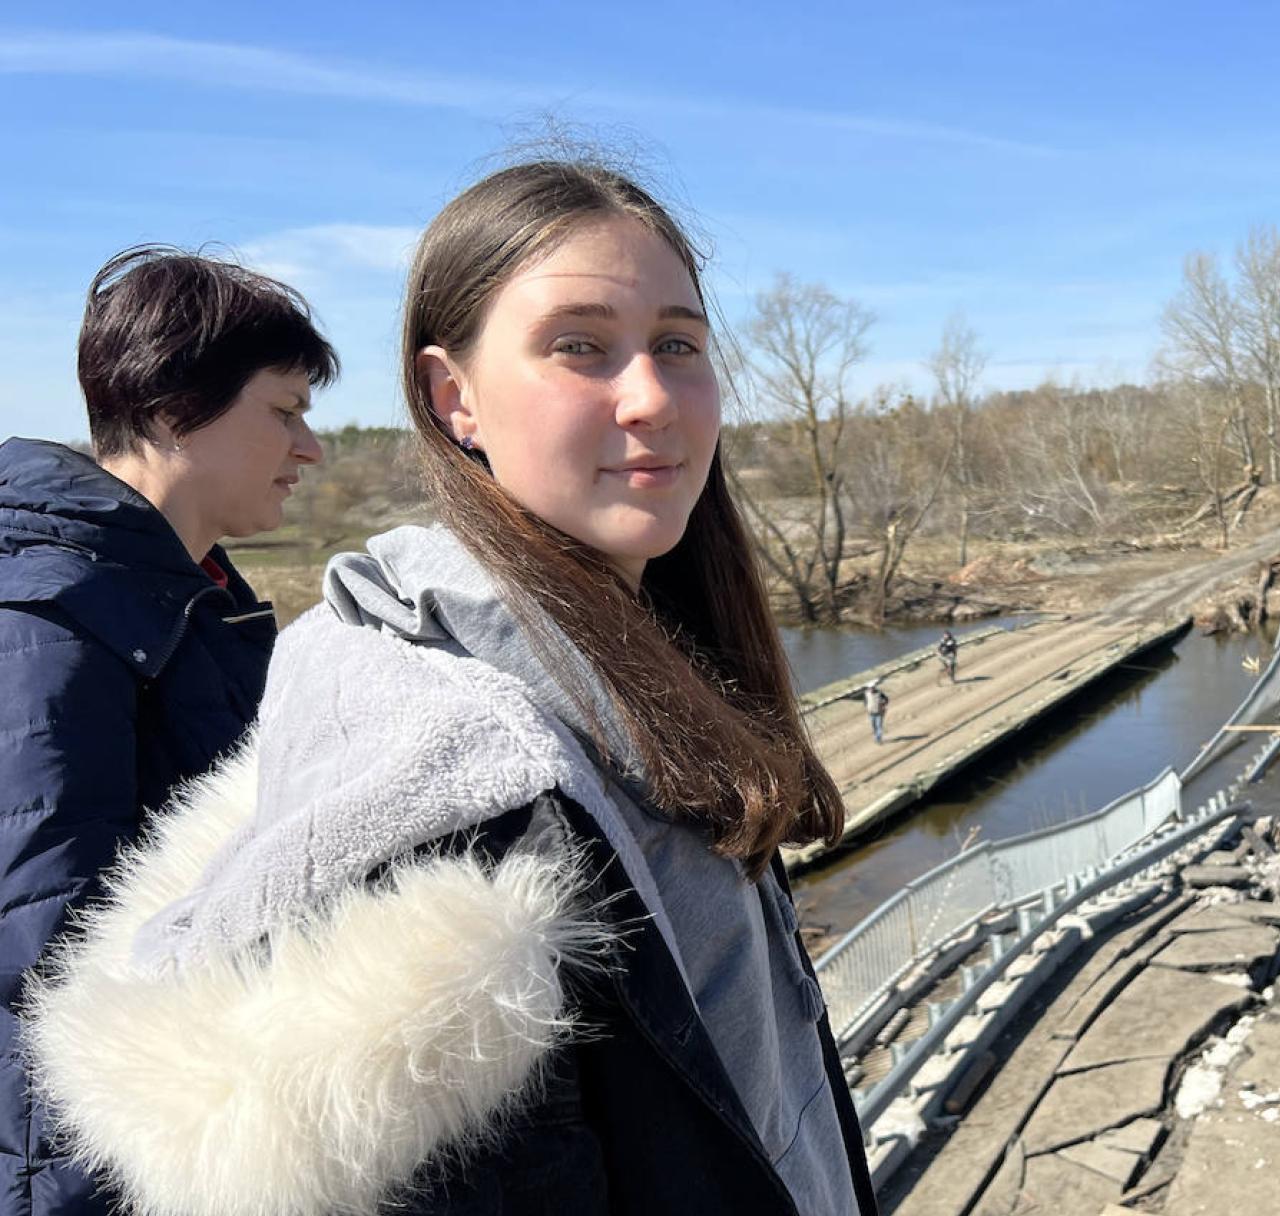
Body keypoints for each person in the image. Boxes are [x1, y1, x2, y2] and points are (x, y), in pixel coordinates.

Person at [22, 160, 875, 1216]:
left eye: (678, 343)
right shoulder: (469, 800)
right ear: (453, 396)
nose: (651, 394)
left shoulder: (641, 668)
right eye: (580, 345)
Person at [0, 247, 335, 1214]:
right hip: (100, 1173)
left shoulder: (193, 602)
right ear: (171, 407)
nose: (310, 448)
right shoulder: (48, 623)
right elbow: (56, 956)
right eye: (284, 411)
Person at [864, 679, 889, 743]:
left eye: (872, 688)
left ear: (874, 687)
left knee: (879, 726)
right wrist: (867, 708)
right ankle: (876, 737)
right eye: (870, 688)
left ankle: (878, 739)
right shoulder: (866, 694)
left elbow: (886, 699)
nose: (871, 689)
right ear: (868, 688)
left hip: (879, 713)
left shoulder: (879, 693)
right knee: (874, 726)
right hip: (871, 713)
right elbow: (865, 702)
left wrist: (883, 705)